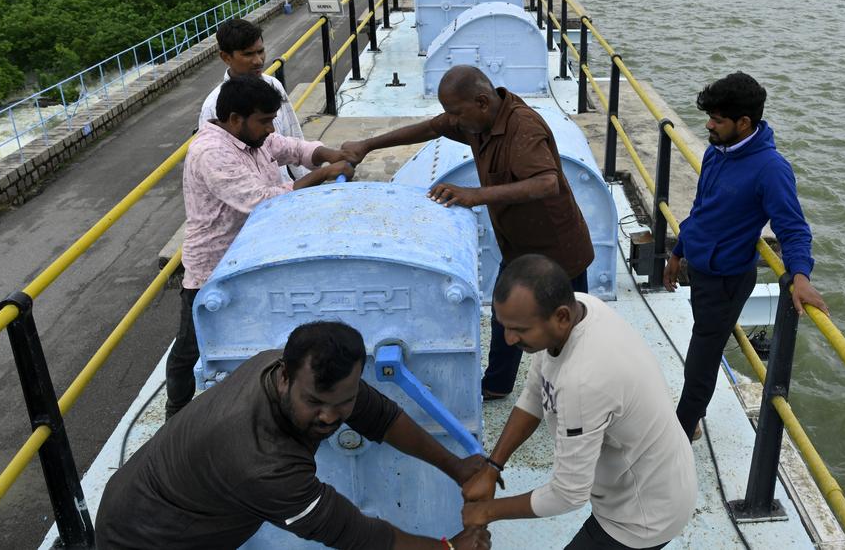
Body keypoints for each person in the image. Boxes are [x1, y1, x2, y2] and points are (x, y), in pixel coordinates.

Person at [96, 321, 492, 550]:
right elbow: (354, 533)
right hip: (143, 540)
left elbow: (379, 415)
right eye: (316, 402)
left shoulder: (280, 363)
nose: (330, 417)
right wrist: (450, 548)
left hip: (161, 503)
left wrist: (456, 467)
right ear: (285, 378)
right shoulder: (262, 465)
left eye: (342, 402)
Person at [341, 65, 594, 401]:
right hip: (517, 246)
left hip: (559, 249)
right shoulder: (474, 120)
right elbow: (430, 128)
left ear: (482, 102)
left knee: (570, 327)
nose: (453, 120)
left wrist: (475, 194)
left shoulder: (522, 128)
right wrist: (367, 145)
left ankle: (581, 391)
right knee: (506, 314)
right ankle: (497, 385)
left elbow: (546, 182)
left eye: (456, 113)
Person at [459, 255, 696, 550]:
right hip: (640, 482)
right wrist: (492, 468)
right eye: (504, 326)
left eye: (519, 330)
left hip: (644, 513)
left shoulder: (584, 382)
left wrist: (486, 512)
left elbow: (568, 494)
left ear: (561, 317)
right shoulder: (582, 305)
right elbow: (536, 391)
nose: (508, 339)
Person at [167, 75, 358, 418]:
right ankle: (176, 412)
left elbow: (290, 147)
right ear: (235, 119)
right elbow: (260, 201)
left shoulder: (254, 139)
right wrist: (323, 175)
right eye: (264, 121)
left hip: (256, 257)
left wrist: (328, 153)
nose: (271, 129)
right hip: (215, 268)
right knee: (189, 347)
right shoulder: (210, 152)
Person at [663, 71, 829, 440]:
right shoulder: (716, 152)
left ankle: (682, 428)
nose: (708, 125)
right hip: (700, 269)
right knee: (700, 345)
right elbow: (701, 209)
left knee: (702, 358)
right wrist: (678, 252)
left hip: (727, 280)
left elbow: (794, 228)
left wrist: (800, 275)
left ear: (744, 123)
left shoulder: (771, 169)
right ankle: (687, 422)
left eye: (717, 120)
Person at [199, 18, 308, 182]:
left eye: (260, 51)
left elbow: (292, 135)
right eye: (248, 54)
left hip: (285, 191)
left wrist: (308, 187)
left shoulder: (273, 85)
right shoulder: (214, 106)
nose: (258, 61)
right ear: (226, 57)